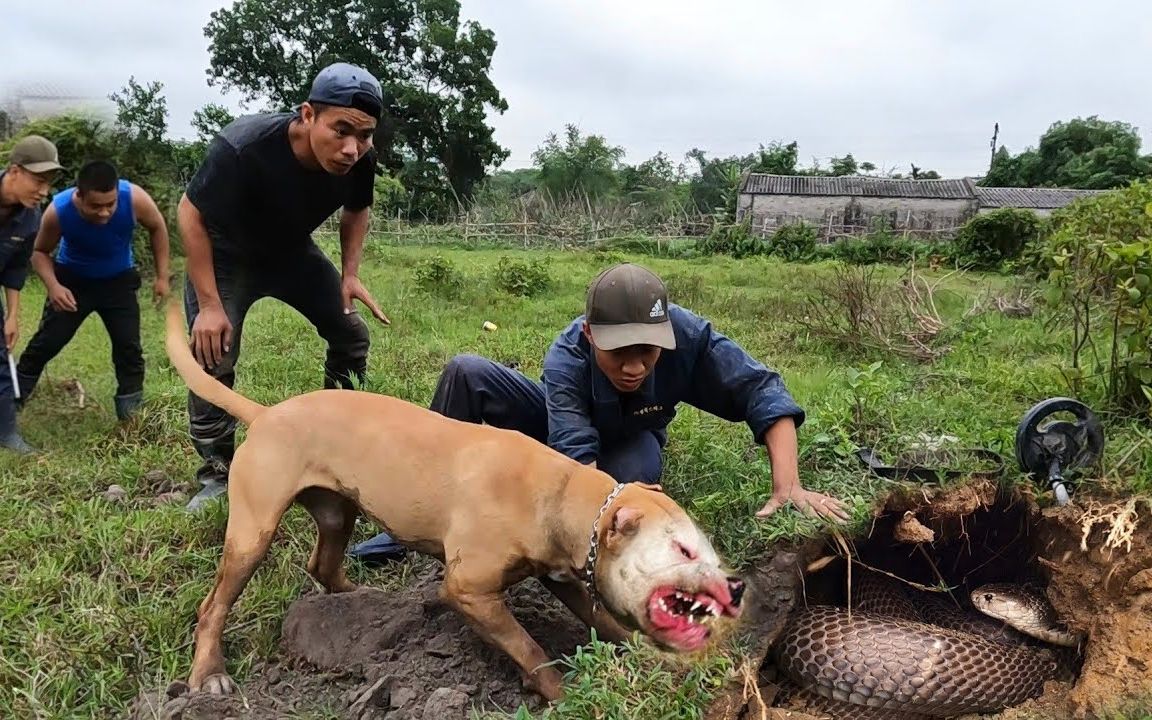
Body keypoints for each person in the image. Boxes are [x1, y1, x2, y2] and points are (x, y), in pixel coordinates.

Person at [348, 262, 850, 563]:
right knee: (466, 371)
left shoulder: (689, 336)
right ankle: (411, 519)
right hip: (558, 434)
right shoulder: (566, 357)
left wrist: (788, 487)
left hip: (631, 437)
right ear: (590, 336)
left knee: (637, 474)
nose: (633, 367)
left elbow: (762, 389)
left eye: (647, 354)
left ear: (665, 340)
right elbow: (575, 462)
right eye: (617, 354)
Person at [178, 62, 390, 512]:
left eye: (366, 135)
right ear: (308, 115)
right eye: (342, 130)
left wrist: (350, 275)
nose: (353, 148)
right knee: (213, 351)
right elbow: (189, 214)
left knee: (351, 335)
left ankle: (338, 440)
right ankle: (216, 473)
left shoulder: (361, 161)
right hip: (225, 255)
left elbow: (357, 211)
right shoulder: (244, 147)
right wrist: (210, 305)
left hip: (290, 253)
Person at [15, 160, 170, 421]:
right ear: (79, 196)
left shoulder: (134, 198)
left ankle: (131, 417)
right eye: (95, 206)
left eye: (110, 205)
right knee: (46, 343)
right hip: (72, 284)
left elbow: (158, 227)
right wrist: (54, 286)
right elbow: (39, 252)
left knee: (128, 348)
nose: (105, 213)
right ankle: (11, 402)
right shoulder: (59, 210)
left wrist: (162, 277)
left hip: (118, 283)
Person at [0, 135, 64, 454]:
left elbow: (13, 270)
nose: (43, 191)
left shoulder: (31, 219)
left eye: (48, 183)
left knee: (1, 359)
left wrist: (12, 316)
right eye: (38, 180)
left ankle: (7, 433)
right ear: (14, 171)